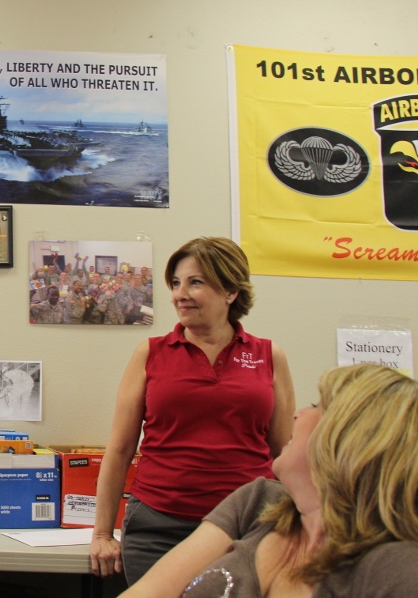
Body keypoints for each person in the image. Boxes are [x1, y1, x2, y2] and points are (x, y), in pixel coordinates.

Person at [89, 236, 295, 584]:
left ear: (230, 291)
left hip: (248, 528)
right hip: (158, 526)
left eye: (195, 282)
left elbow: (283, 452)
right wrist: (101, 534)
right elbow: (120, 449)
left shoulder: (269, 355)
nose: (179, 294)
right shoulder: (150, 353)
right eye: (176, 283)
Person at [121, 363, 418, 598]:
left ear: (351, 439)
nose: (298, 414)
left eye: (318, 407)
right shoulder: (258, 501)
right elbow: (150, 590)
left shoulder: (395, 567)